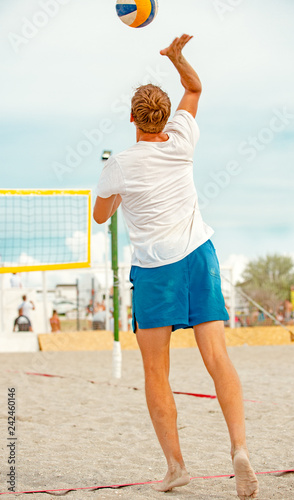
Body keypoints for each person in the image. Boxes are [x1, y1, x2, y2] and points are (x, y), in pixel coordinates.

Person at [93, 34, 259, 499]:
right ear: (166, 118)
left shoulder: (121, 165)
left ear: (132, 118)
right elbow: (195, 89)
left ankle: (176, 467)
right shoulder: (183, 137)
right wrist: (176, 58)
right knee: (217, 359)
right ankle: (240, 449)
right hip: (199, 256)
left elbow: (101, 215)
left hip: (155, 270)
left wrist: (119, 189)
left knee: (155, 374)